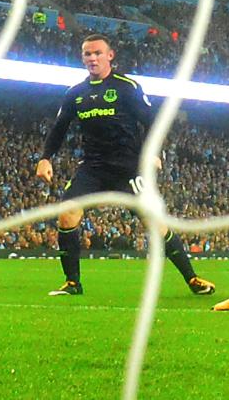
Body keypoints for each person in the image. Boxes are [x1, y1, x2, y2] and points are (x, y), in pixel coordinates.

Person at [35, 33, 215, 297]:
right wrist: (45, 157)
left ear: (110, 55)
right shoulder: (75, 94)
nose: (92, 58)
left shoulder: (126, 87)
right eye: (87, 53)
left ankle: (192, 278)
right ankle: (72, 283)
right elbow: (59, 129)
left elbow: (152, 122)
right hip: (93, 168)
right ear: (82, 58)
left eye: (97, 53)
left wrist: (153, 152)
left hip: (128, 167)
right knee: (67, 214)